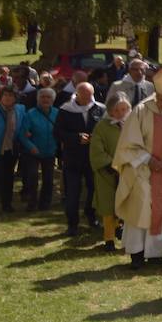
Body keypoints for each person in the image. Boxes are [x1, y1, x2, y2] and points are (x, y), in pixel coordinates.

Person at [114, 66, 162, 268]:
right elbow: (128, 143)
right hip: (142, 170)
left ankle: (155, 253)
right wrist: (149, 159)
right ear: (156, 95)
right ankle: (137, 254)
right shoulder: (141, 110)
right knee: (140, 210)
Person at [56, 81, 105, 235]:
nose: (88, 100)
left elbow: (105, 131)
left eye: (90, 96)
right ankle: (72, 224)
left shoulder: (100, 109)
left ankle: (91, 216)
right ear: (77, 95)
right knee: (72, 192)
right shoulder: (65, 110)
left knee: (94, 190)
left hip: (93, 158)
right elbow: (57, 133)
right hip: (73, 158)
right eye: (84, 96)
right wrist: (76, 138)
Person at [91, 91, 130, 251]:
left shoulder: (131, 125)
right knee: (108, 206)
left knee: (126, 204)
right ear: (110, 110)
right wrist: (110, 165)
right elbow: (97, 149)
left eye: (124, 109)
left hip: (128, 171)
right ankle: (109, 238)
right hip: (107, 174)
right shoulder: (102, 126)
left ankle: (123, 232)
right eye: (117, 110)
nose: (120, 114)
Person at [21, 87, 60, 211]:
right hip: (33, 151)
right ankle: (31, 203)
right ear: (38, 99)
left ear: (53, 100)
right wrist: (31, 147)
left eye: (48, 97)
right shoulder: (30, 114)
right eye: (42, 97)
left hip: (50, 151)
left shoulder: (57, 113)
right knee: (32, 178)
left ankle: (45, 204)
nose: (45, 99)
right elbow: (22, 134)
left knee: (48, 179)